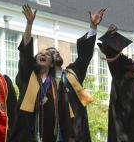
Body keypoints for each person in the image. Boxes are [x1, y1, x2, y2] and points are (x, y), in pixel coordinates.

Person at [45, 8, 106, 142]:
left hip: (77, 130)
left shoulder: (72, 73)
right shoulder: (43, 82)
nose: (56, 53)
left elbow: (84, 56)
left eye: (56, 51)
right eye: (51, 53)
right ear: (47, 62)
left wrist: (93, 27)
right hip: (54, 132)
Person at [11, 4, 60, 142]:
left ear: (51, 63)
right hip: (26, 133)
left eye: (47, 54)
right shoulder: (29, 76)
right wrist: (29, 24)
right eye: (39, 53)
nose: (42, 54)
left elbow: (64, 113)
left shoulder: (57, 85)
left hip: (51, 135)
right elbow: (26, 50)